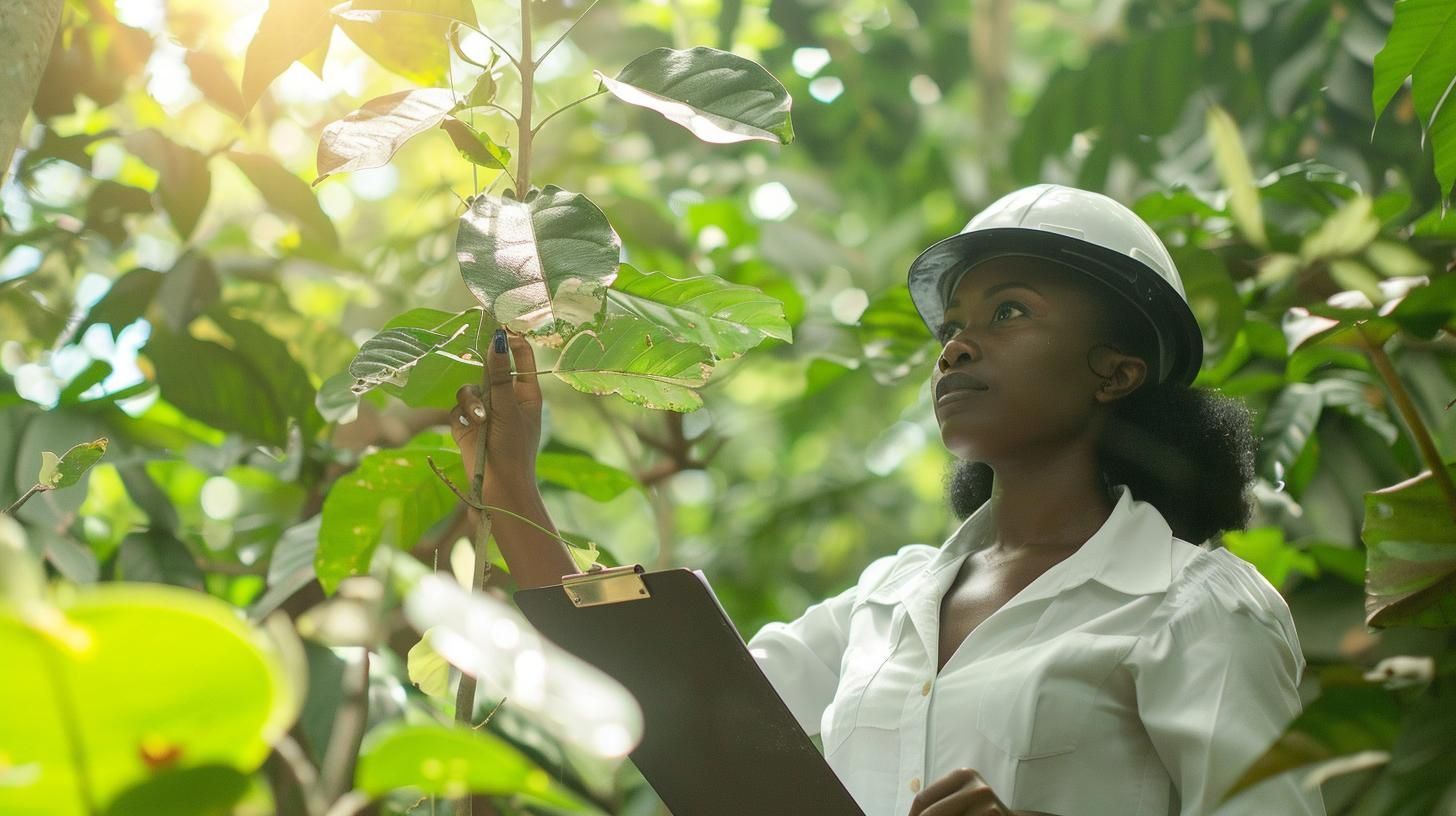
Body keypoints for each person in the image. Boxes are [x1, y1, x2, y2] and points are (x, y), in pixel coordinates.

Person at [450, 184, 1325, 816]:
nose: (957, 348)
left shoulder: (1194, 607)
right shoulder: (888, 599)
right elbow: (653, 697)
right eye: (952, 329)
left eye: (1009, 312)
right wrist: (511, 488)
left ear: (1115, 372)